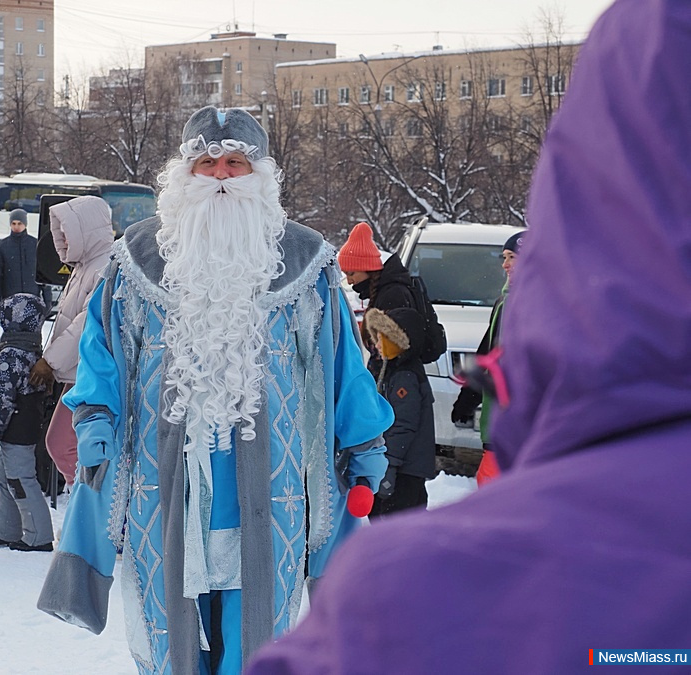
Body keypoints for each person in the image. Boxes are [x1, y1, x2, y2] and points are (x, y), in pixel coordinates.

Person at [246, 1, 691, 671]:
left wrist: (386, 457)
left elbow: (398, 374)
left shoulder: (422, 600)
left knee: (404, 488)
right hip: (479, 425)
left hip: (432, 433)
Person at [37, 106, 394, 673]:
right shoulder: (137, 259)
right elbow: (101, 353)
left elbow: (340, 366)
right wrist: (96, 415)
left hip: (274, 487)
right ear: (186, 173)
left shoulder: (305, 261)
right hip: (162, 486)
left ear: (260, 175)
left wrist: (363, 442)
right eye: (207, 163)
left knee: (258, 638)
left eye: (235, 163)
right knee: (168, 636)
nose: (222, 176)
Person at [28, 195, 114, 488]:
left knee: (64, 446)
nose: (61, 236)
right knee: (65, 445)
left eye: (67, 228)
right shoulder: (86, 265)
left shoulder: (104, 266)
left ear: (85, 229)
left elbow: (84, 324)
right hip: (80, 371)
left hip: (91, 373)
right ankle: (87, 512)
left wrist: (51, 362)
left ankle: (92, 512)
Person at [0, 292, 55, 552]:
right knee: (6, 477)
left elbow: (2, 399)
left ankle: (38, 536)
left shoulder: (10, 355)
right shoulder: (34, 351)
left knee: (21, 479)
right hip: (29, 423)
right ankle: (7, 529)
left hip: (15, 427)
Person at [450, 231, 524, 485]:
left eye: (512, 257)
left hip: (517, 421)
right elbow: (487, 353)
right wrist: (468, 396)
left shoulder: (537, 302)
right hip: (497, 419)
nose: (505, 264)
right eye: (504, 257)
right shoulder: (505, 300)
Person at [362, 307, 435, 516]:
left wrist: (390, 465)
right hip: (400, 465)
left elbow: (403, 424)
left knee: (396, 522)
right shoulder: (391, 369)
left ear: (398, 341)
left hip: (405, 468)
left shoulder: (405, 376)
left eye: (382, 339)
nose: (376, 345)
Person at [338, 221, 417, 375]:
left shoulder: (392, 295)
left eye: (351, 273)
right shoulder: (383, 293)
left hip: (396, 388)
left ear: (367, 269)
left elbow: (394, 353)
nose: (349, 281)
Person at [0, 208, 51, 319]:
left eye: (19, 223)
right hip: (10, 302)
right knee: (11, 335)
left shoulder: (35, 245)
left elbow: (44, 275)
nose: (16, 227)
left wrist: (48, 302)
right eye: (13, 223)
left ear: (25, 224)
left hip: (32, 302)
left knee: (32, 335)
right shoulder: (2, 246)